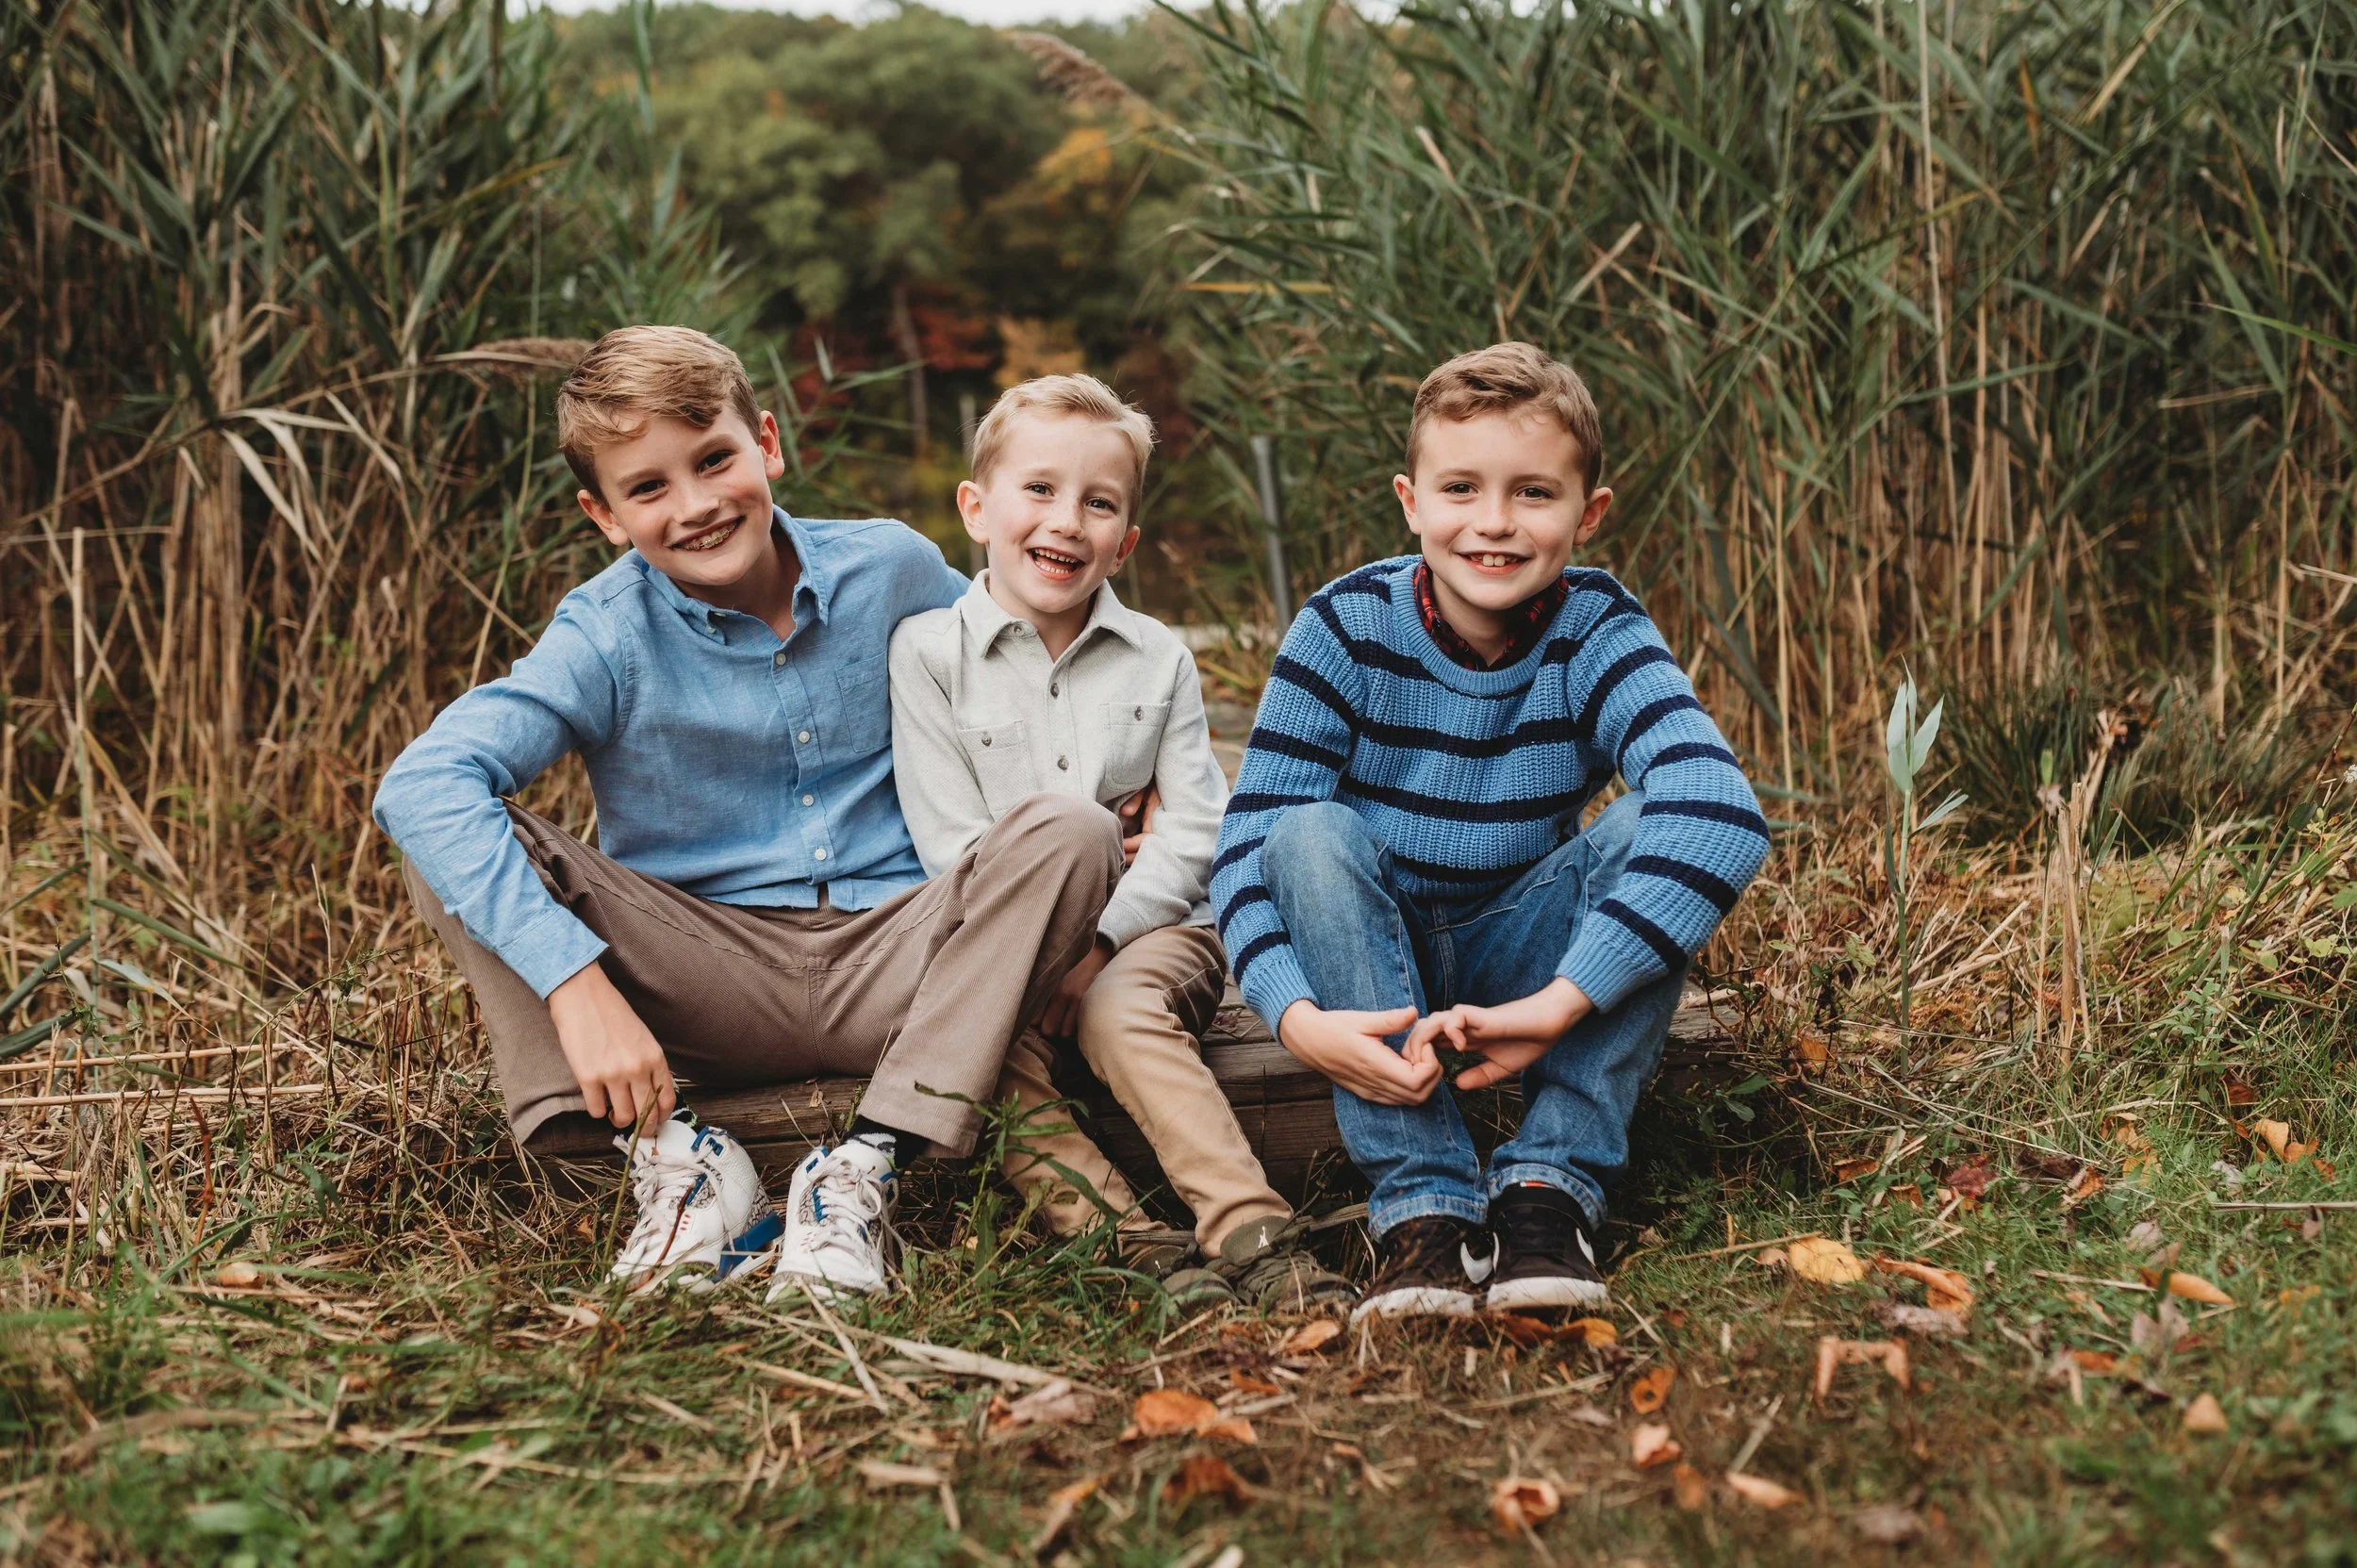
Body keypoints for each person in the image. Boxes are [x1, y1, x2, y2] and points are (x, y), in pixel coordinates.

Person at [373, 326, 1119, 1299]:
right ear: (604, 514)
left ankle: (863, 1167)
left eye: (714, 459)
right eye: (648, 488)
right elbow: (419, 785)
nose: (695, 505)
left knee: (1072, 829)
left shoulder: (888, 569)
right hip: (700, 980)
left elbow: (1031, 658)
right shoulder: (603, 633)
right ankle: (679, 1162)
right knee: (449, 833)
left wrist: (1120, 806)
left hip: (905, 956)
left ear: (765, 443)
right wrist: (574, 985)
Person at [1211, 341, 1770, 1321]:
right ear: (1411, 499)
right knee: (1304, 834)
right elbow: (1245, 851)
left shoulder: (1597, 629)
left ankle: (1548, 1188)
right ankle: (1423, 1209)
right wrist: (1299, 1022)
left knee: (1656, 826)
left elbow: (1721, 811)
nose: (1494, 523)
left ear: (1587, 513)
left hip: (1526, 955)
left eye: (1533, 494)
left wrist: (1557, 1005)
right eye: (1460, 487)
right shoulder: (1342, 628)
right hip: (1372, 965)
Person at [888, 374, 1354, 1313]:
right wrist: (1049, 948)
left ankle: (1249, 1225)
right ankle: (1126, 1239)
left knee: (1112, 1009)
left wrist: (1101, 943)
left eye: (1098, 503)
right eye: (1040, 490)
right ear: (976, 509)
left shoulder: (1158, 656)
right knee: (972, 1044)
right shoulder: (927, 654)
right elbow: (952, 841)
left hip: (1153, 933)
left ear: (1126, 540)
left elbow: (1195, 826)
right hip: (1003, 942)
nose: (1066, 521)